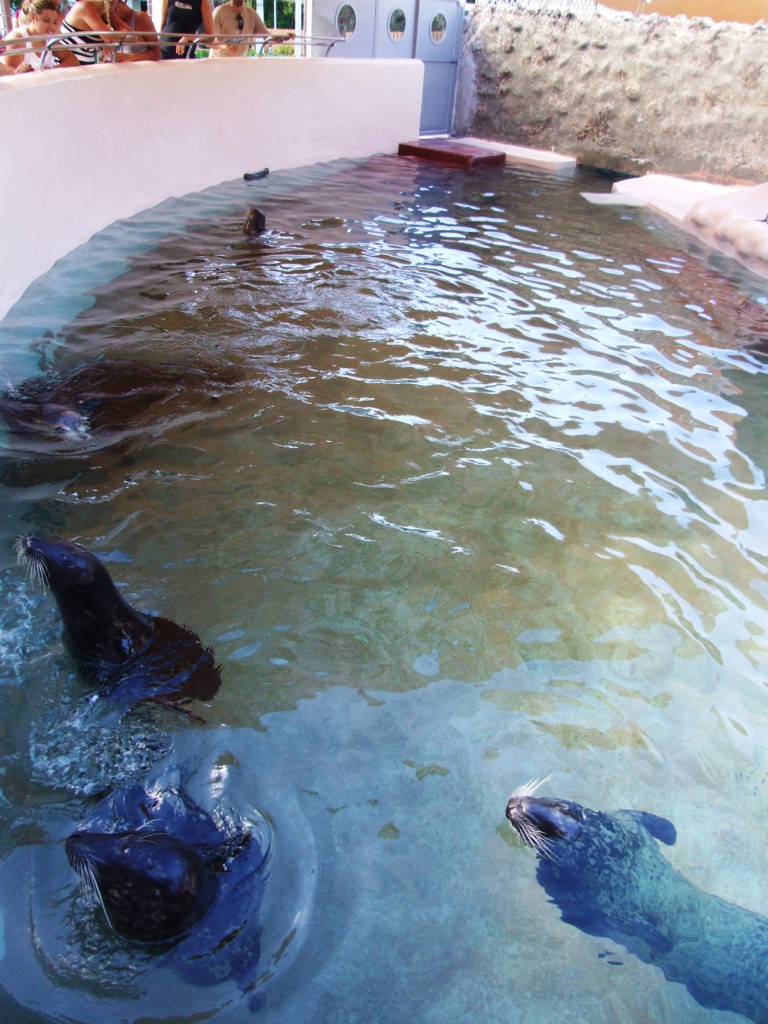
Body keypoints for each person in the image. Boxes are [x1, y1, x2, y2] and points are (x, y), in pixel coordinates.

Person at [1, 0, 80, 70]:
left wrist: (51, 70)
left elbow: (73, 61)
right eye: (46, 20)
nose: (52, 27)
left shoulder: (49, 38)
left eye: (54, 22)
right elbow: (10, 76)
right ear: (32, 17)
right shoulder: (18, 39)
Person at [57, 0, 130, 65]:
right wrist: (122, 32)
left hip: (88, 65)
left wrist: (120, 34)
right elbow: (111, 38)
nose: (121, 4)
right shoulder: (84, 7)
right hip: (70, 65)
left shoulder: (107, 11)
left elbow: (130, 34)